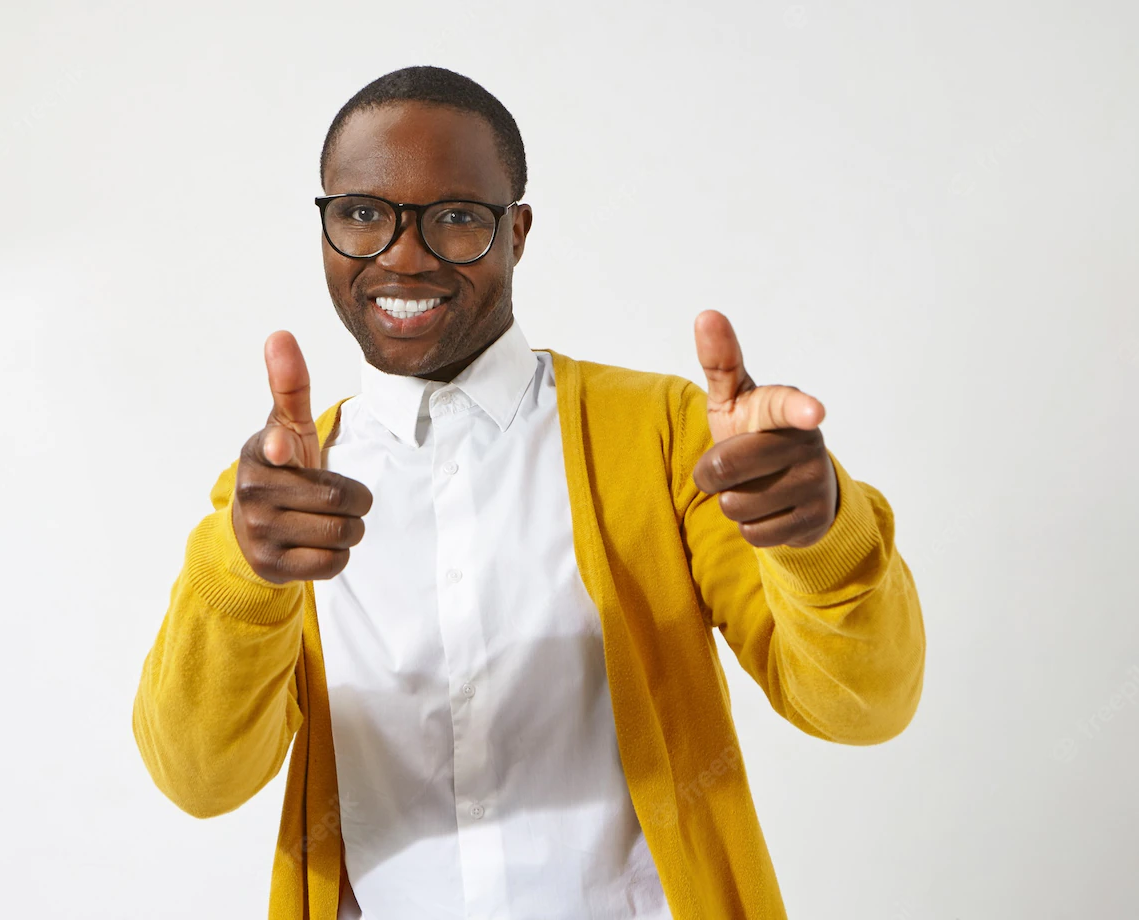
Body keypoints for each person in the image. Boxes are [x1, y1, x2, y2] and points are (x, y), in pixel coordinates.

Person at [132, 65, 925, 920]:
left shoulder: (660, 435)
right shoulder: (282, 498)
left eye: (457, 218)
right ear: (325, 226)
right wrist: (243, 576)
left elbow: (861, 708)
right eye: (362, 213)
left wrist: (819, 533)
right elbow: (200, 779)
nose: (403, 254)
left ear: (517, 232)